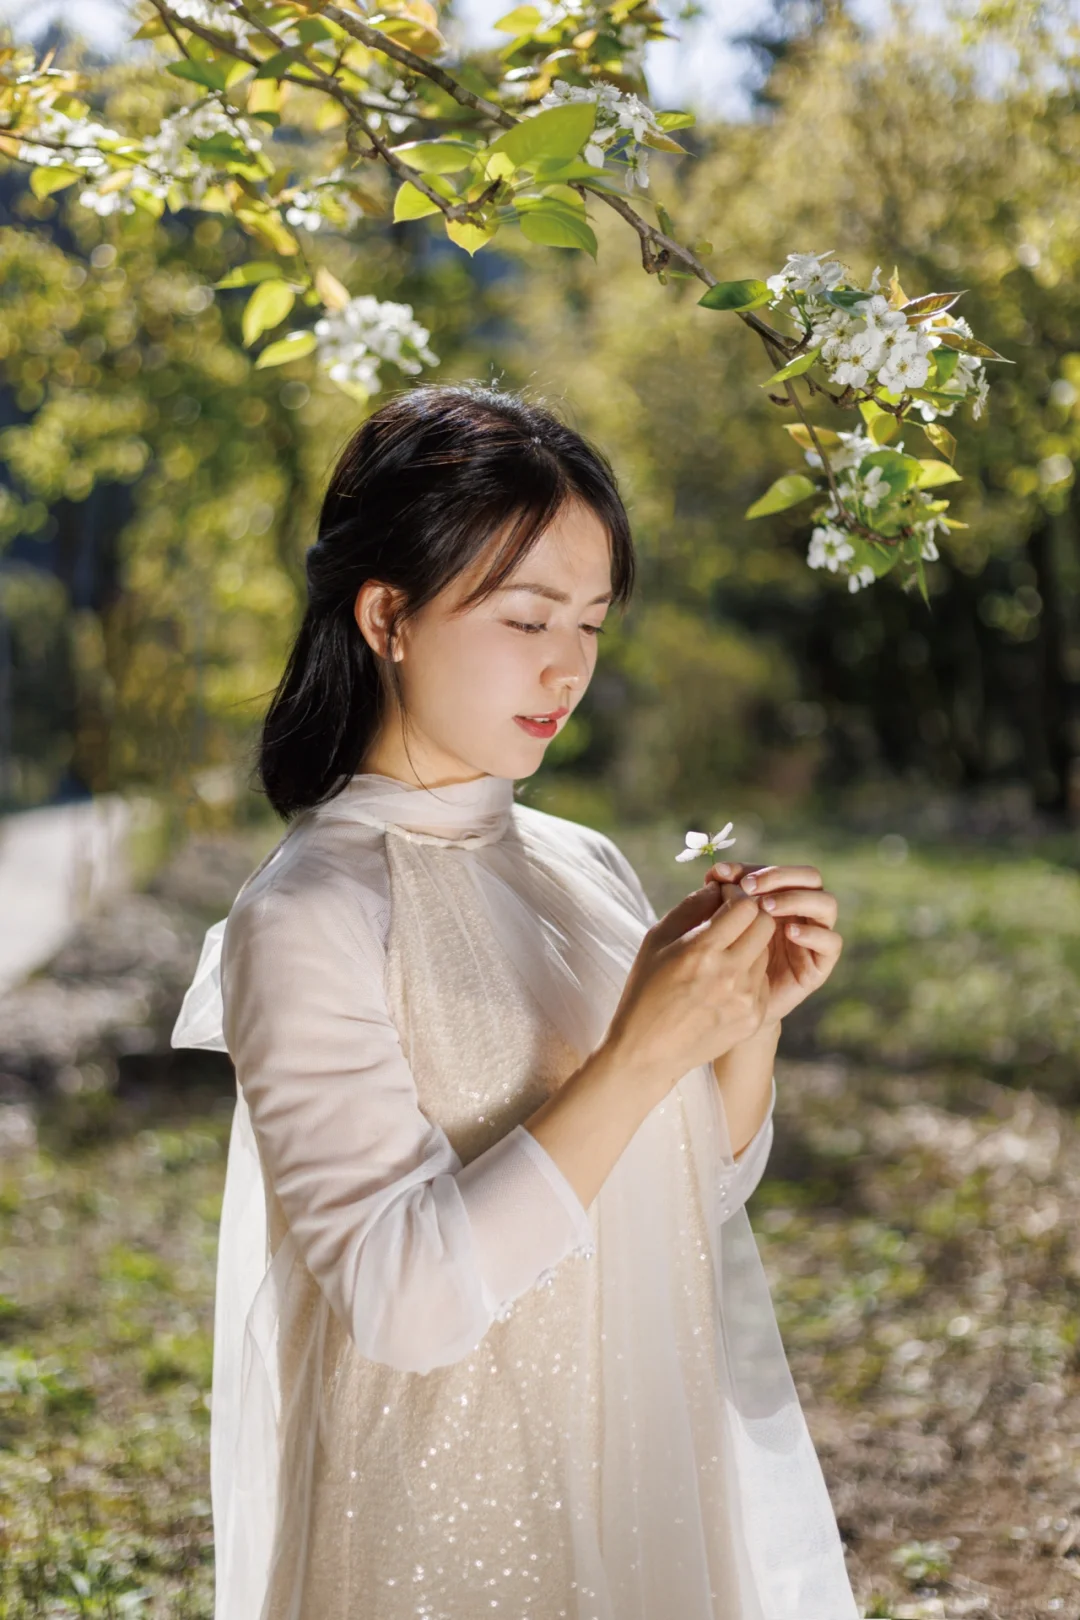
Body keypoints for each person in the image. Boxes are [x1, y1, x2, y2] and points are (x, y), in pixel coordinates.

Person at [171, 380, 859, 1620]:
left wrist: (740, 1026)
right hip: (445, 1522)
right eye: (528, 616)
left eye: (591, 624)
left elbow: (684, 1193)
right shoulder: (310, 915)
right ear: (388, 613)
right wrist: (644, 1054)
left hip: (641, 1467)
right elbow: (403, 1300)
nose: (568, 666)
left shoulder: (580, 864)